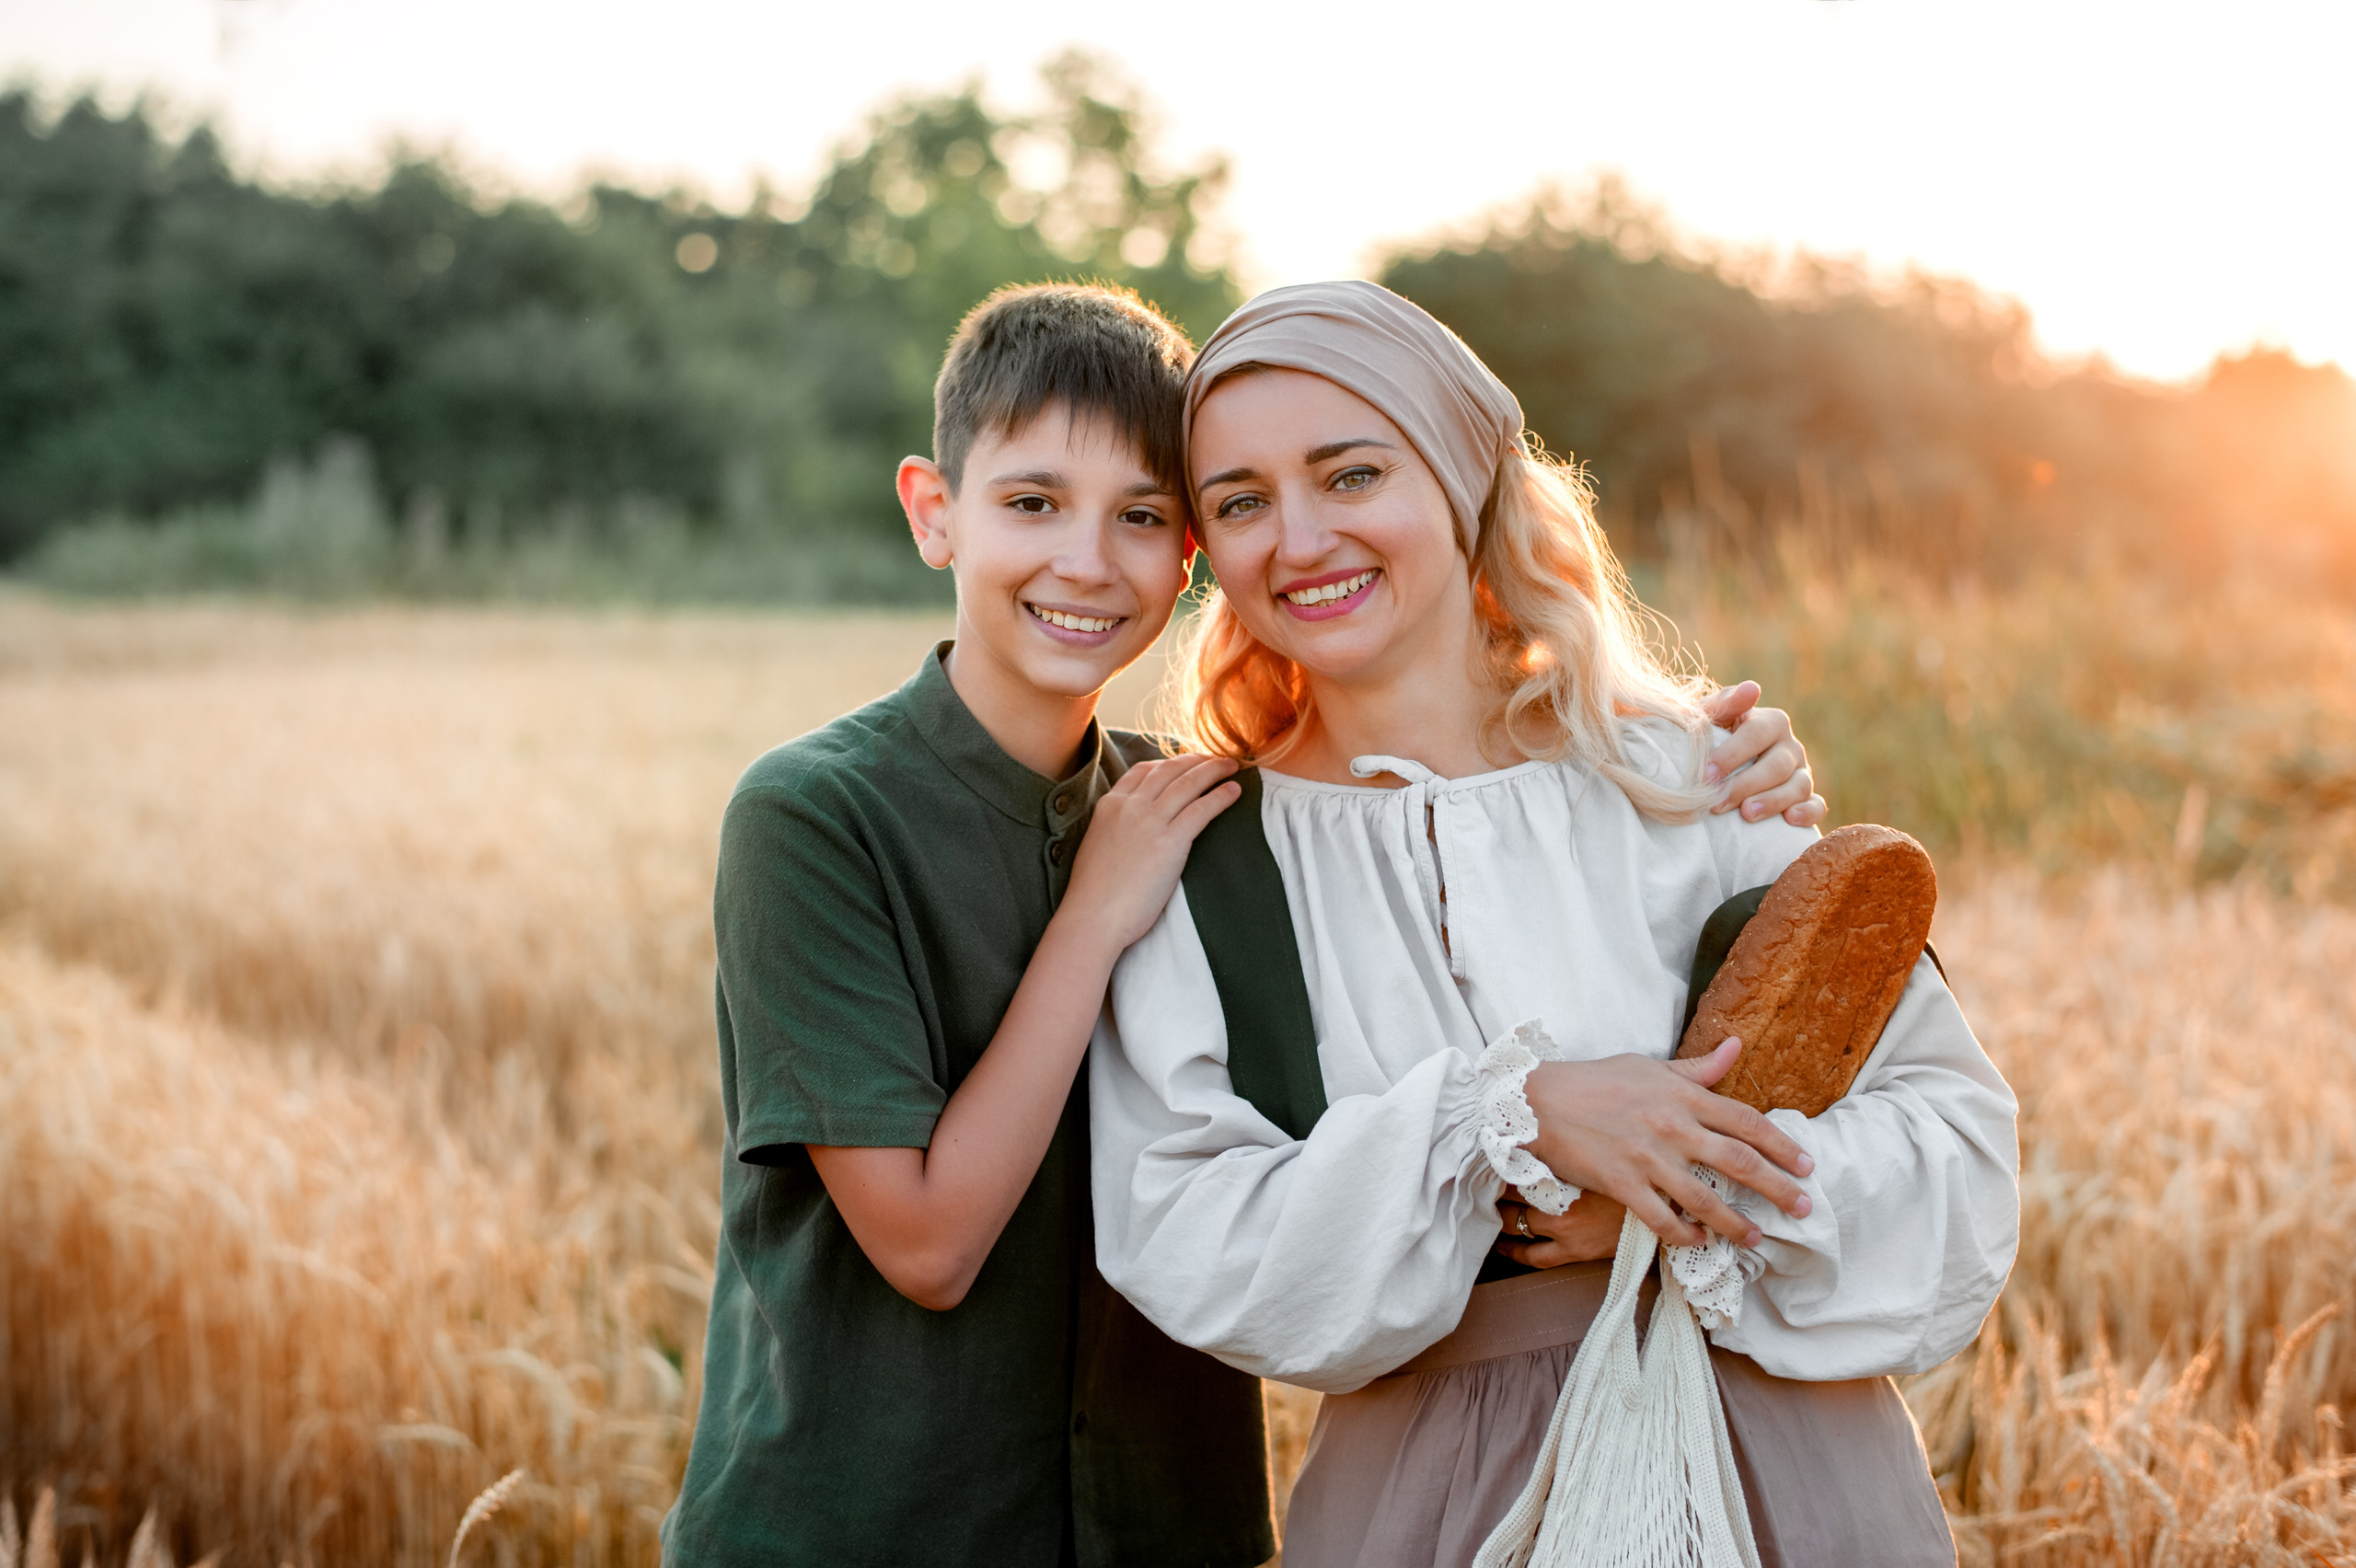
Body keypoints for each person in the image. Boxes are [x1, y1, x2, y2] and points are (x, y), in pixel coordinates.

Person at [659, 282, 1825, 1567]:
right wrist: (1093, 918)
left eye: (1145, 517)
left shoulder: (1215, 812)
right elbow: (928, 1247)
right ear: (936, 514)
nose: (1088, 561)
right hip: (868, 1531)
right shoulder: (818, 817)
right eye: (1033, 503)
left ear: (1191, 559)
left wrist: (1724, 770)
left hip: (1165, 1533)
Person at [1089, 281, 2021, 1567]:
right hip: (1435, 1501)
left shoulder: (1698, 783)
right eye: (1242, 501)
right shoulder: (1209, 860)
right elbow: (1182, 1227)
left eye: (1351, 474)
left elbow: (1952, 1145)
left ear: (1467, 476)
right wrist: (1511, 1121)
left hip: (1788, 1484)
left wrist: (1672, 1203)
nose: (1298, 539)